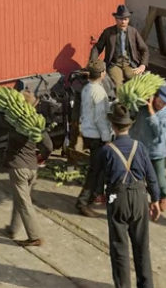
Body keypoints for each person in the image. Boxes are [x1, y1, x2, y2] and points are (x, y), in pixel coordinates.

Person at [99, 104, 161, 288]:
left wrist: (100, 194)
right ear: (130, 126)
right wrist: (155, 200)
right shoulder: (140, 147)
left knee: (119, 246)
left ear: (113, 126)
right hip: (140, 196)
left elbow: (98, 177)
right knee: (142, 245)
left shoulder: (106, 150)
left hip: (117, 198)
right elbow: (151, 176)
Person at [4, 90, 53, 246]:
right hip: (32, 167)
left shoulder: (13, 123)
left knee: (24, 202)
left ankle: (35, 236)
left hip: (18, 168)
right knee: (21, 199)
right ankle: (13, 229)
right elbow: (48, 146)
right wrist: (42, 157)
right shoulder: (38, 124)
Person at [75, 59, 114, 217]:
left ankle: (95, 195)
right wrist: (107, 138)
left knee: (99, 168)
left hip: (88, 132)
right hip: (97, 135)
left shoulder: (87, 88)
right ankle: (83, 202)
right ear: (103, 73)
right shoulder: (98, 91)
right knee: (95, 170)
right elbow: (100, 118)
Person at [130, 85, 166, 216]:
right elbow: (131, 111)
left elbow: (159, 133)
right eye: (160, 101)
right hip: (139, 148)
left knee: (158, 179)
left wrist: (152, 113)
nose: (161, 105)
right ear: (154, 97)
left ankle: (163, 197)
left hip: (156, 151)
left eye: (164, 103)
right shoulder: (142, 108)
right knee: (137, 177)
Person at [92, 5, 149, 89]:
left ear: (128, 20)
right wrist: (93, 62)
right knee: (118, 85)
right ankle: (120, 101)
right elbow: (97, 48)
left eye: (125, 19)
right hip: (114, 64)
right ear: (115, 19)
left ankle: (134, 101)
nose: (123, 22)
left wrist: (142, 65)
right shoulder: (108, 32)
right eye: (120, 19)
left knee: (140, 82)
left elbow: (144, 49)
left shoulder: (133, 32)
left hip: (130, 64)